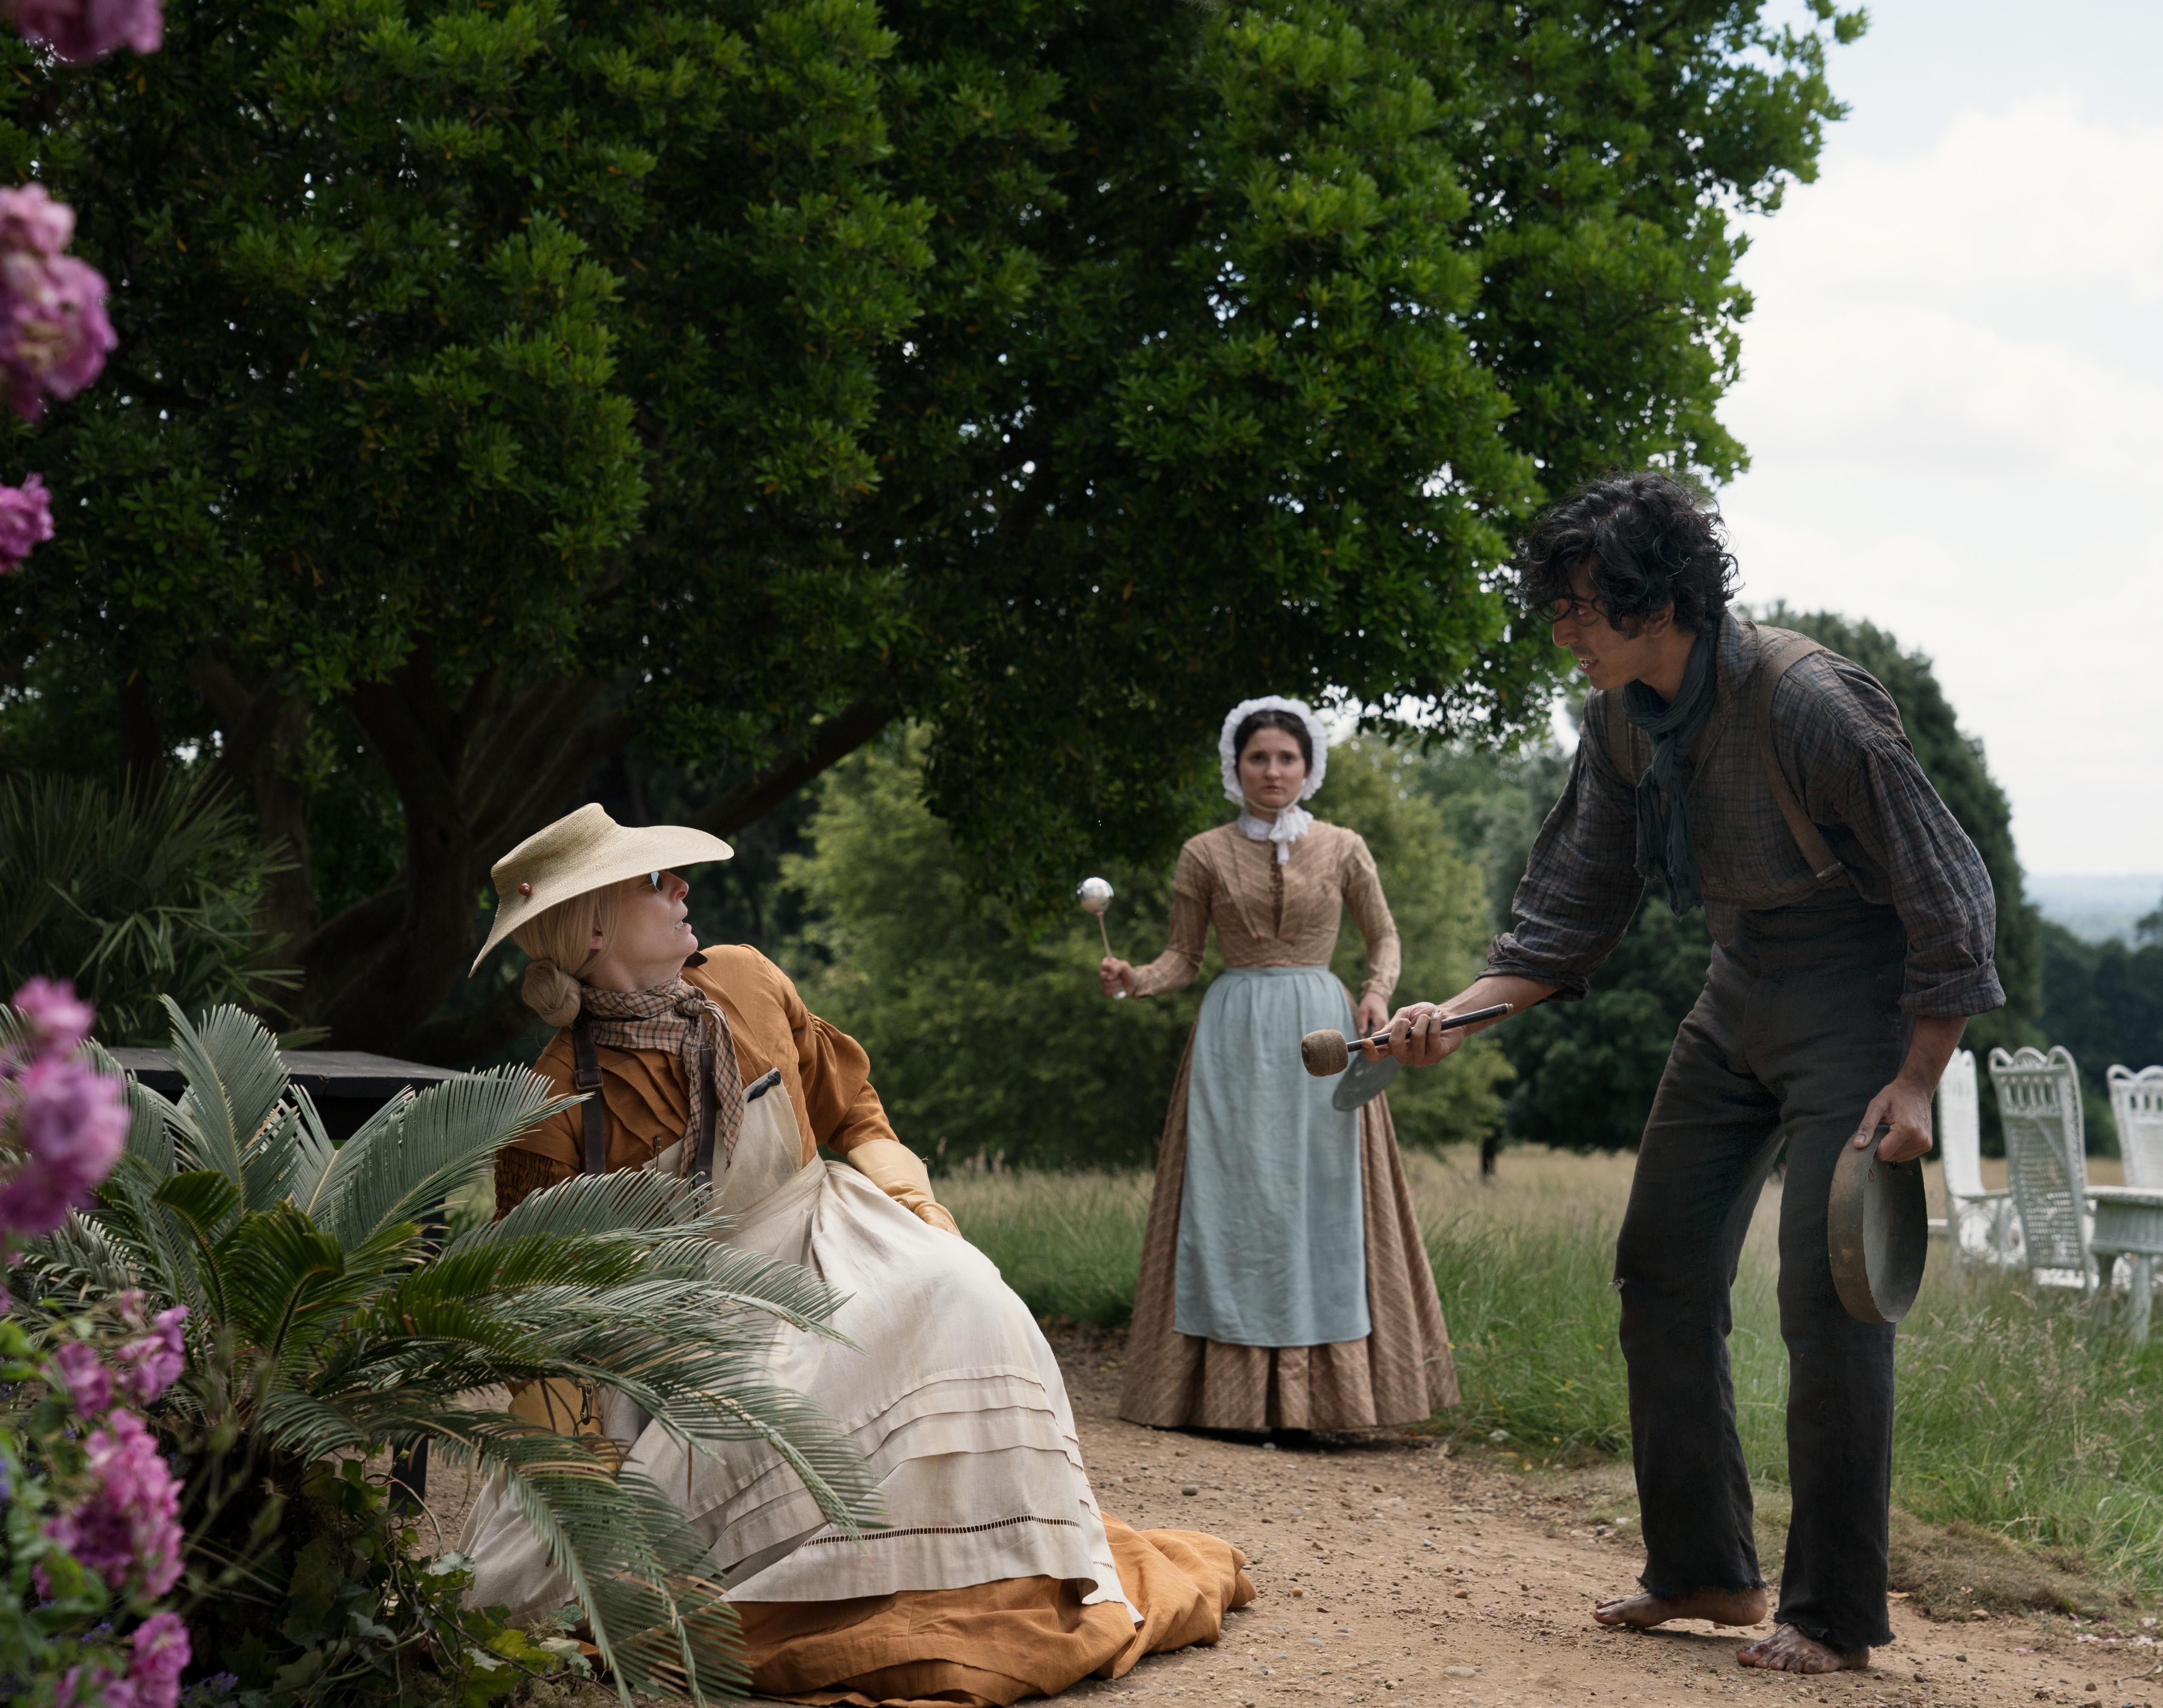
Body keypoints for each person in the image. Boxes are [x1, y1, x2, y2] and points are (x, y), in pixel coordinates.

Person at [1378, 474, 2005, 1676]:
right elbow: (1570, 907)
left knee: (1828, 1298)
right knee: (1660, 1265)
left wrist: (1919, 1078)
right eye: (1557, 606)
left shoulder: (1810, 702)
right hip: (1737, 986)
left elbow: (1952, 891)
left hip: (1858, 999)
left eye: (1580, 607)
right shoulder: (1621, 718)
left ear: (1659, 601)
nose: (1562, 631)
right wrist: (1452, 1019)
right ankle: (1707, 1570)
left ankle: (1832, 1615)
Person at [457, 804, 1253, 1706]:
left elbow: (852, 1108)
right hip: (689, 1316)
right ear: (593, 928)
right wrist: (582, 1479)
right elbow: (548, 1317)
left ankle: (987, 1551)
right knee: (622, 1534)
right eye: (652, 880)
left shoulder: (747, 979)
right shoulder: (552, 1104)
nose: (680, 886)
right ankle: (847, 1571)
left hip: (823, 1232)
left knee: (961, 1286)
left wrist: (919, 1209)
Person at [1100, 697, 1457, 1435]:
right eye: (1258, 757)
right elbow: (1184, 958)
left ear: (1308, 767)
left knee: (1326, 1192)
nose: (1272, 770)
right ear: (1236, 768)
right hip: (1233, 1038)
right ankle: (1219, 1396)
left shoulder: (1345, 847)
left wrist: (1376, 992)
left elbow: (1384, 937)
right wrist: (1135, 979)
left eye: (1286, 758)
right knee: (1232, 1198)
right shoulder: (1203, 853)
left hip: (1325, 1032)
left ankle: (1334, 1399)